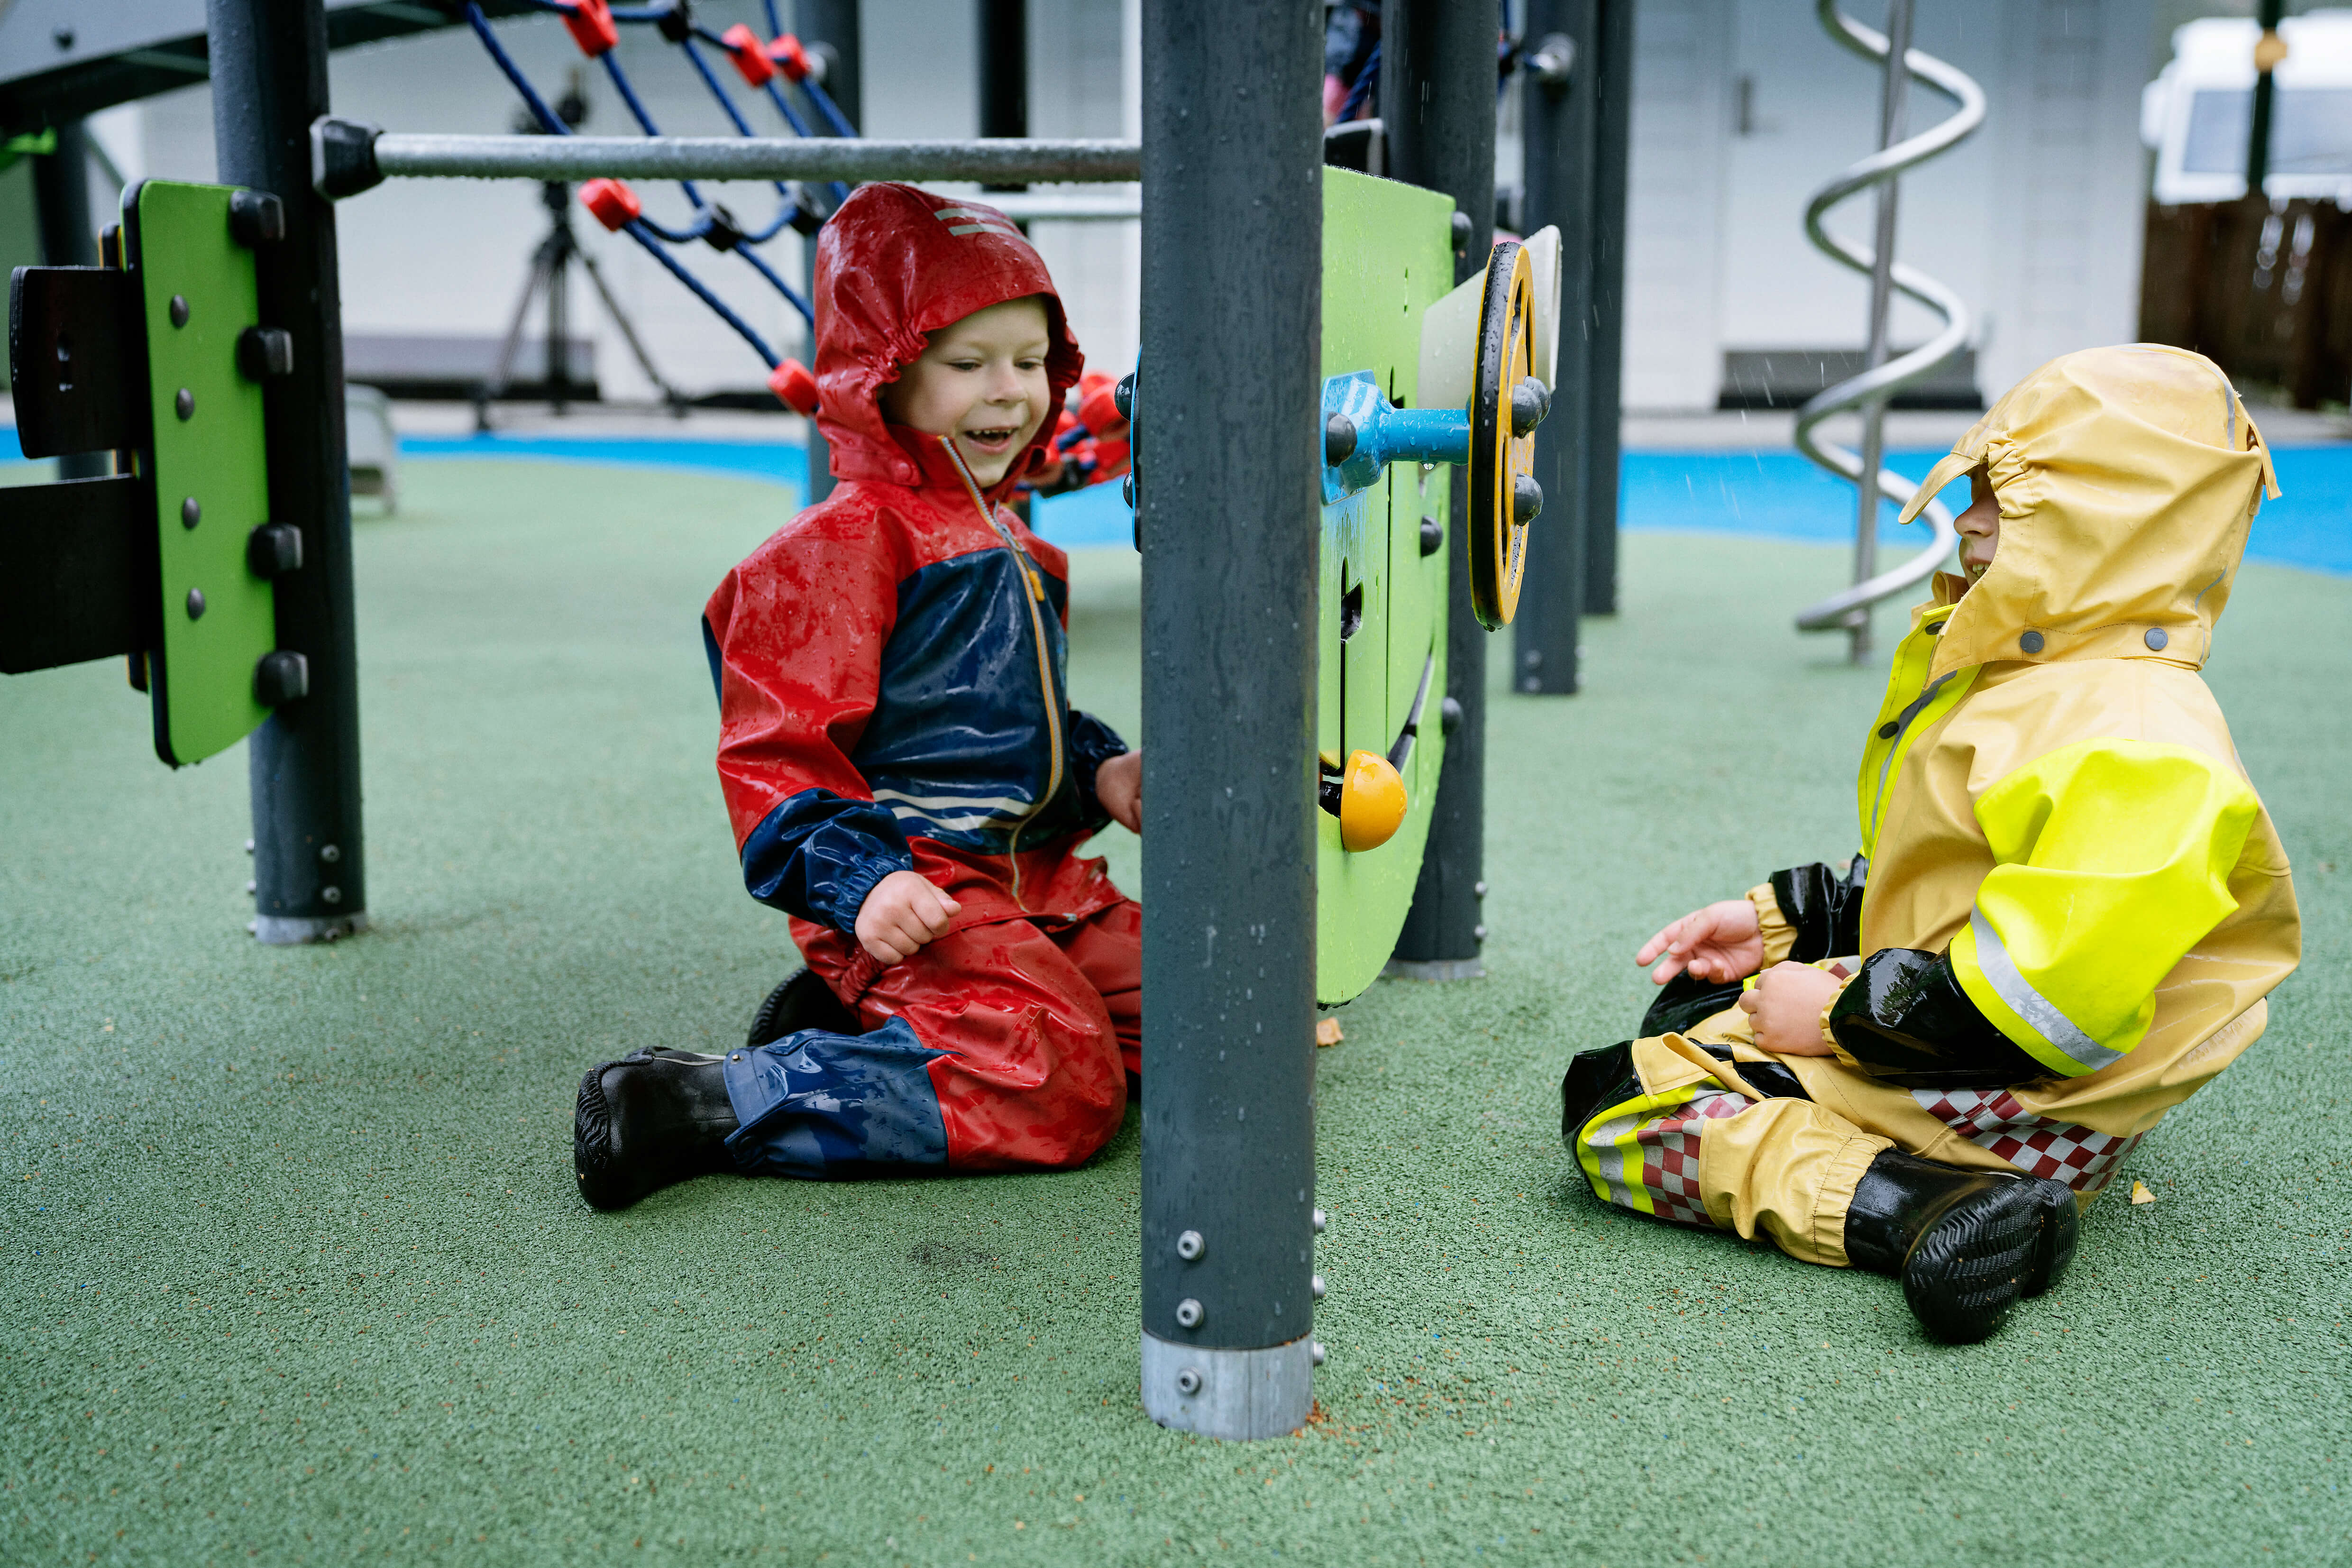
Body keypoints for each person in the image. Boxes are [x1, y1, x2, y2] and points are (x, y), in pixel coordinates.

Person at [1560, 345, 2300, 1342]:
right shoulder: (2052, 678)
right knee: (1693, 1004)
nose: (1973, 518)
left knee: (1621, 1102)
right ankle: (1961, 1178)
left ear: (2116, 530)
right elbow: (1961, 871)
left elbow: (2044, 1002)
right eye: (1982, 487)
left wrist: (1835, 1018)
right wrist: (1784, 924)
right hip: (2000, 1046)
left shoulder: (2139, 740)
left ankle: (1927, 1206)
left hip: (2033, 1090)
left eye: (2011, 497)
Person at [573, 183, 1143, 1210]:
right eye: (967, 364)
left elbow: (1025, 724)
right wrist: (862, 883)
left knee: (1224, 1004)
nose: (1007, 392)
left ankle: (880, 1025)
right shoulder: (844, 546)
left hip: (1037, 882)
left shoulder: (1018, 542)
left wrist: (1104, 768)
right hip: (918, 884)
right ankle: (709, 1098)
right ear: (884, 373)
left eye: (1028, 361)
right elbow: (777, 754)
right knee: (1062, 1083)